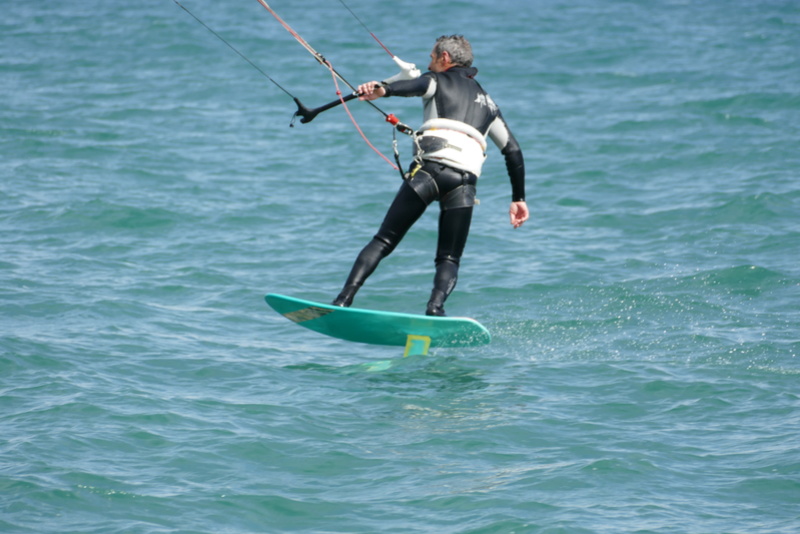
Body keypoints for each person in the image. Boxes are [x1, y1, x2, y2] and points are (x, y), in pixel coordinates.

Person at [333, 35, 528, 316]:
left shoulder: (436, 80)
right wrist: (518, 198)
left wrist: (381, 89)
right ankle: (435, 309)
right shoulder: (490, 106)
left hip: (430, 172)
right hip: (464, 182)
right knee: (449, 257)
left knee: (384, 240)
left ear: (444, 58)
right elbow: (513, 151)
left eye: (432, 58)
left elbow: (410, 86)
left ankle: (343, 300)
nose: (429, 63)